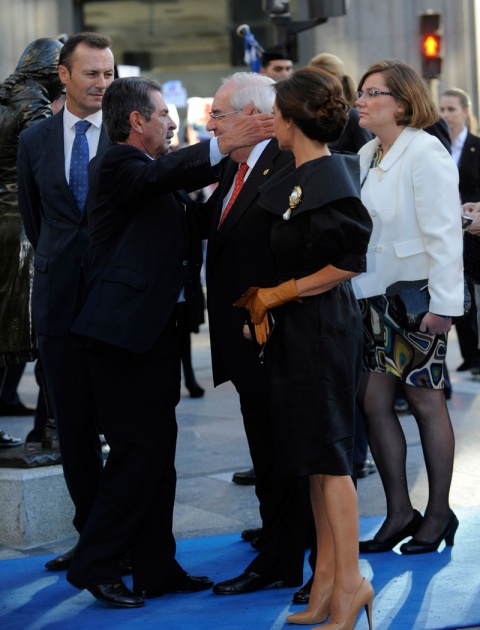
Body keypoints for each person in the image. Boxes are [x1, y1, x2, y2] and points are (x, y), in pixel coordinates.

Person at [65, 76, 275, 608]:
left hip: (154, 335)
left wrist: (243, 167)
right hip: (120, 337)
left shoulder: (160, 178)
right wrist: (224, 143)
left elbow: (203, 219)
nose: (172, 122)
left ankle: (157, 568)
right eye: (162, 114)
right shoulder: (118, 164)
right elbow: (159, 177)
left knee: (159, 457)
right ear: (136, 121)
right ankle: (96, 561)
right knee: (139, 454)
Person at [235, 66, 374, 629]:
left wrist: (277, 294)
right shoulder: (298, 172)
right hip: (299, 328)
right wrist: (269, 304)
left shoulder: (332, 175)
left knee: (332, 462)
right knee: (315, 464)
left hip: (323, 329)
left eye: (275, 112)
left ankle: (351, 585)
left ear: (290, 120)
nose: (269, 120)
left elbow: (348, 261)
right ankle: (325, 585)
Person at [194, 71, 310, 595]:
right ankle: (280, 535)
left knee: (281, 447)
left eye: (218, 114)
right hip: (246, 338)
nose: (210, 123)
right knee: (265, 445)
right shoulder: (239, 167)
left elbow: (292, 252)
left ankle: (283, 560)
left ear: (252, 118)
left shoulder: (284, 166)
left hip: (271, 334)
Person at [353, 60, 464, 556]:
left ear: (400, 102)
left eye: (372, 92)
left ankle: (438, 514)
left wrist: (445, 306)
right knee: (374, 402)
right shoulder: (366, 153)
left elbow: (444, 234)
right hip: (375, 297)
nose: (361, 99)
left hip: (418, 297)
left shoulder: (426, 150)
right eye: (360, 91)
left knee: (424, 400)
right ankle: (400, 512)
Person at [17, 32, 116, 572]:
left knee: (123, 429)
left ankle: (120, 536)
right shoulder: (33, 140)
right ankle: (90, 538)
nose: (102, 84)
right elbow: (38, 221)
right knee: (73, 430)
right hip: (57, 304)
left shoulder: (127, 133)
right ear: (63, 75)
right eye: (92, 74)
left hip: (114, 304)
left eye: (108, 74)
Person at [0, 37, 65, 447]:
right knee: (43, 329)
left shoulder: (5, 98)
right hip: (24, 228)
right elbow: (50, 169)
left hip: (2, 226)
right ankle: (57, 427)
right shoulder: (34, 105)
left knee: (5, 329)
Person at [440, 87, 480, 373]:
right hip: (447, 229)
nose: (446, 115)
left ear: (465, 111)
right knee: (458, 291)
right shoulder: (435, 146)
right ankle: (470, 355)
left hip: (474, 231)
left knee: (472, 289)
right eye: (442, 109)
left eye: (451, 109)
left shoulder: (477, 146)